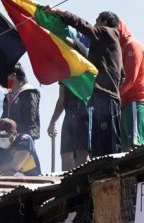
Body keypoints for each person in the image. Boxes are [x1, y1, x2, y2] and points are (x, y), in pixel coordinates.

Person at [45, 7, 125, 157]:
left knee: (108, 150)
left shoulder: (108, 33)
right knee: (99, 150)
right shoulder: (111, 47)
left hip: (105, 100)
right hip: (103, 100)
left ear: (105, 22)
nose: (94, 25)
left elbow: (83, 25)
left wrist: (61, 13)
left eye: (97, 22)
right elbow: (122, 76)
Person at [47, 84, 90, 171]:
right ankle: (69, 183)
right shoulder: (64, 74)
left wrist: (52, 122)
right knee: (67, 158)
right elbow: (62, 99)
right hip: (70, 116)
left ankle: (86, 181)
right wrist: (52, 122)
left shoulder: (90, 71)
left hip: (84, 114)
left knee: (82, 156)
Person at [117, 19, 144, 151]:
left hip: (135, 101)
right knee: (126, 150)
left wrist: (114, 96)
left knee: (135, 147)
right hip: (125, 103)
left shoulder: (132, 45)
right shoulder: (121, 48)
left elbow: (129, 79)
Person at [3, 63, 41, 141]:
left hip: (22, 140)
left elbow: (30, 118)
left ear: (13, 76)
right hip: (7, 140)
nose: (4, 81)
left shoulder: (29, 92)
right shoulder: (7, 96)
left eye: (6, 77)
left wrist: (25, 138)